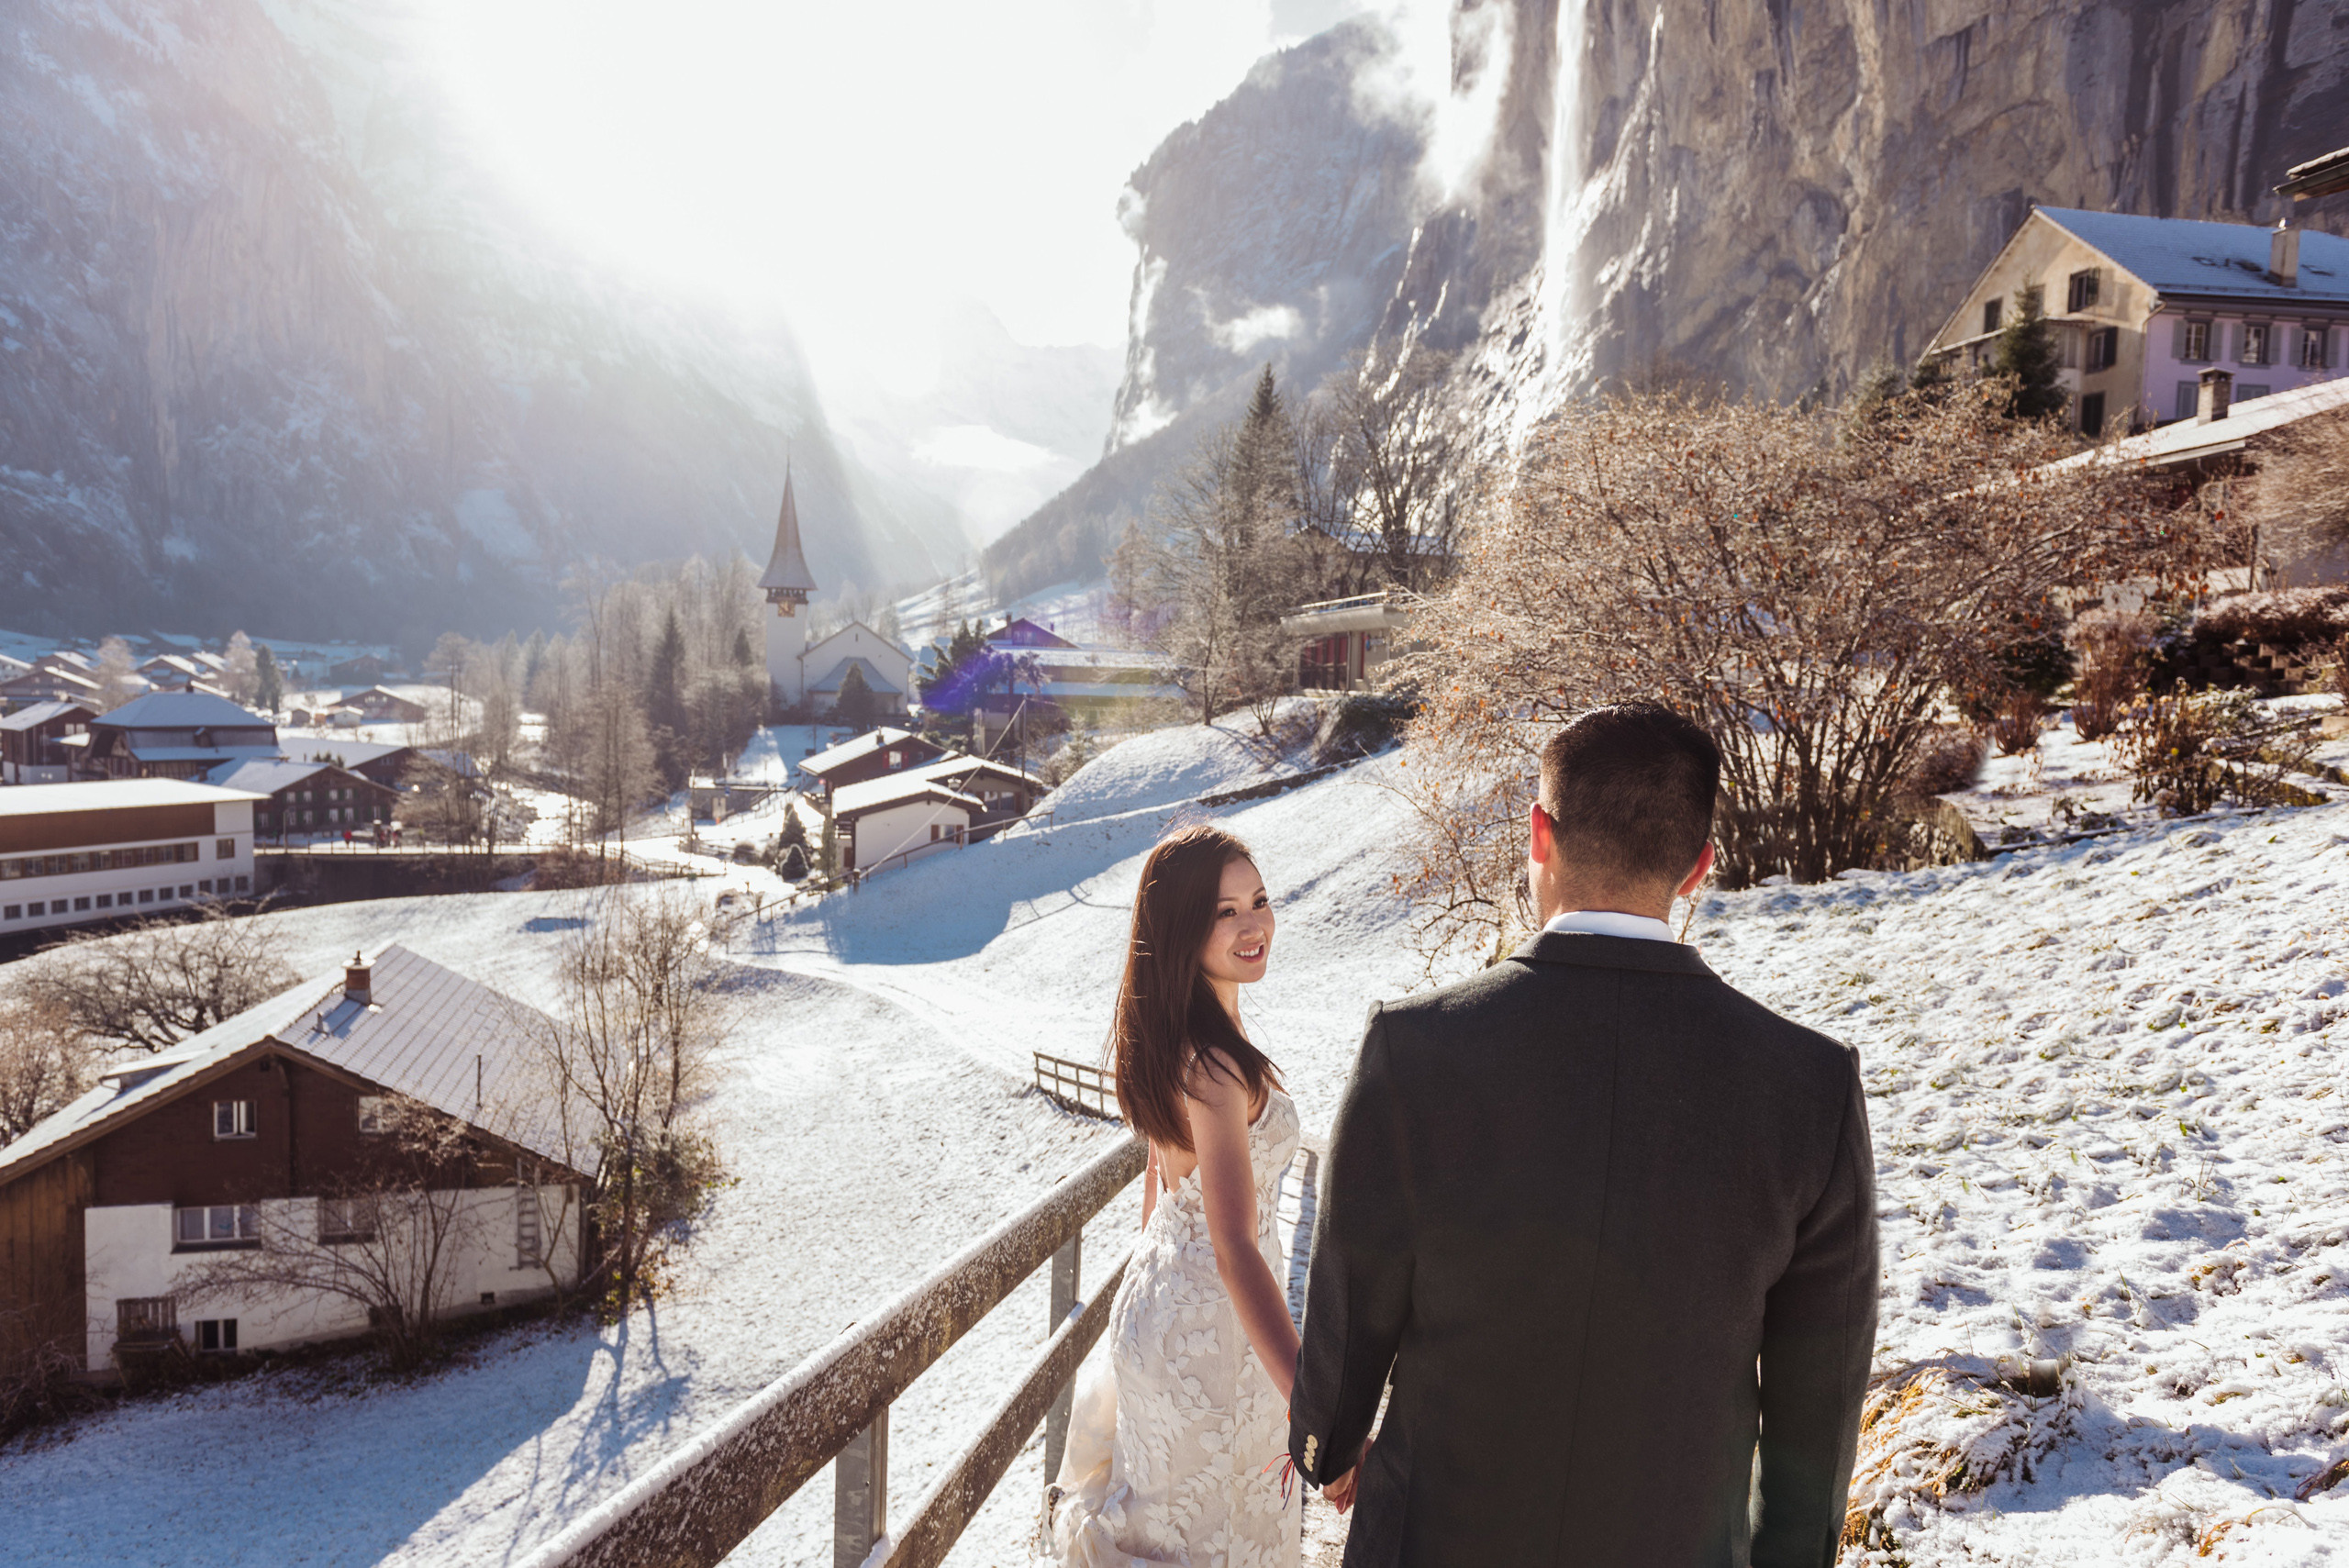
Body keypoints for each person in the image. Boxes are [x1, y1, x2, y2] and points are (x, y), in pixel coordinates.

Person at [1289, 702, 1878, 1567]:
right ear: (1698, 867)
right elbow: (1818, 1401)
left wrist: (1328, 1448)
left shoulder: (1414, 1048)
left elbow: (1352, 1300)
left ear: (1539, 833)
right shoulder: (1810, 1085)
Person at [1052, 823, 1304, 1567]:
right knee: (1219, 1532)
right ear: (1182, 927)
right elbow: (1234, 1247)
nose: (1253, 922)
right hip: (1213, 1339)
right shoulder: (1218, 1066)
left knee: (1174, 1528)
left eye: (1258, 900)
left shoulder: (1181, 1040)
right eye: (1225, 911)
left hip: (1164, 1308)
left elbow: (1163, 1190)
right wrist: (1316, 1404)